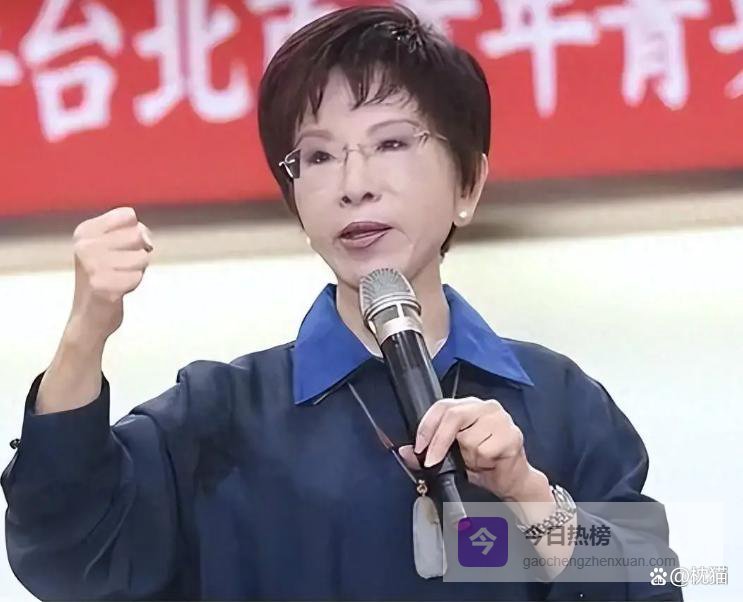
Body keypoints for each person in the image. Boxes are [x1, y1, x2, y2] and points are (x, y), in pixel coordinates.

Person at [2, 5, 682, 601]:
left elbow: (651, 583)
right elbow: (67, 557)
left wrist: (528, 496)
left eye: (391, 143)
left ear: (468, 185)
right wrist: (85, 333)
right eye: (319, 157)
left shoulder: (559, 401)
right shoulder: (218, 417)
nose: (354, 184)